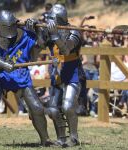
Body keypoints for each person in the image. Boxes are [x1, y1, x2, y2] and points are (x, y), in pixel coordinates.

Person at [0, 10, 51, 146]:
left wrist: (38, 29)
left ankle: (45, 140)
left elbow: (40, 45)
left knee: (36, 108)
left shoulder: (25, 35)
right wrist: (3, 64)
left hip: (20, 77)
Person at [44, 4, 83, 147]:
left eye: (52, 19)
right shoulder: (49, 31)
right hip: (57, 74)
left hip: (73, 73)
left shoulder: (74, 32)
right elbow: (38, 45)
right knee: (53, 109)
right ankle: (61, 138)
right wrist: (32, 29)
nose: (49, 22)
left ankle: (74, 138)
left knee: (67, 106)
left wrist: (55, 35)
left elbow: (66, 50)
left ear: (59, 19)